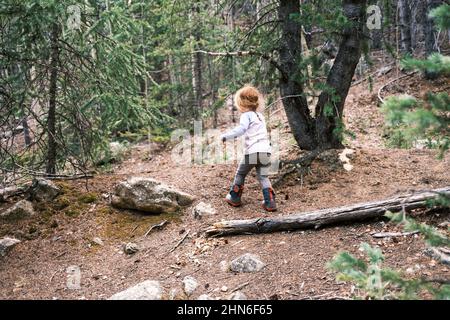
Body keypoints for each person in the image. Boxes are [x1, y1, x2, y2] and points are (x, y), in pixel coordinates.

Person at [220, 85, 277, 212]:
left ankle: (234, 197)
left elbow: (241, 129)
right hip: (265, 151)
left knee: (241, 173)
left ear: (242, 103)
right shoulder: (260, 116)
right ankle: (270, 202)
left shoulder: (247, 115)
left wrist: (225, 136)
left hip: (253, 152)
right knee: (263, 176)